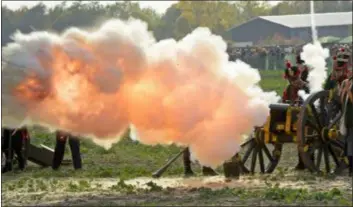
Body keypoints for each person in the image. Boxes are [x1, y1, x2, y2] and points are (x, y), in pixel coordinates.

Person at [339, 75, 353, 176]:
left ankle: (351, 169)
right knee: (348, 143)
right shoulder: (349, 82)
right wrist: (344, 90)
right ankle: (350, 168)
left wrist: (348, 90)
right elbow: (342, 101)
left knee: (350, 143)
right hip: (348, 119)